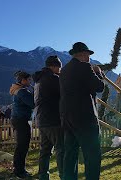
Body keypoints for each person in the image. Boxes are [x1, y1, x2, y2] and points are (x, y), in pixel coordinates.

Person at [60, 42, 105, 180]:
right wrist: (99, 74)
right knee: (92, 155)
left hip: (67, 118)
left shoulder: (65, 70)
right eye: (88, 55)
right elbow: (99, 87)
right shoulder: (85, 67)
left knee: (70, 154)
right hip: (85, 118)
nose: (89, 58)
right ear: (84, 55)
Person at [33, 55, 64, 180]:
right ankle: (65, 175)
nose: (60, 70)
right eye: (59, 67)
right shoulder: (52, 78)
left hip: (42, 120)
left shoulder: (39, 79)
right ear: (54, 66)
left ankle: (43, 176)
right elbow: (65, 93)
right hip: (53, 119)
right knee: (61, 149)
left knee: (45, 151)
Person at [9, 70, 34, 178]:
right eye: (28, 80)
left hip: (17, 119)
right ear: (23, 80)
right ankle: (20, 171)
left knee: (21, 145)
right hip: (21, 120)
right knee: (22, 145)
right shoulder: (22, 92)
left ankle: (18, 168)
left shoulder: (18, 90)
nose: (30, 82)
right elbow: (33, 103)